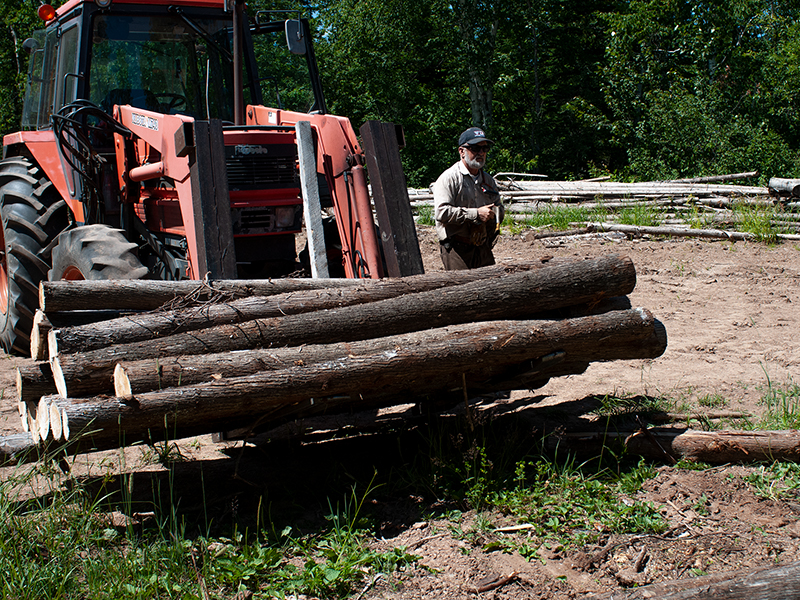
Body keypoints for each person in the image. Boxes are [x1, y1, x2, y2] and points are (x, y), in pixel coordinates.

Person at [433, 127, 504, 270]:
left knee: (491, 289)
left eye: (484, 149)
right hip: (456, 248)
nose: (481, 153)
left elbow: (499, 208)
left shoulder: (488, 180)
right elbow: (441, 213)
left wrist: (493, 215)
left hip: (482, 246)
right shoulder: (449, 178)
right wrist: (476, 214)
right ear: (461, 151)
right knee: (461, 290)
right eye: (475, 148)